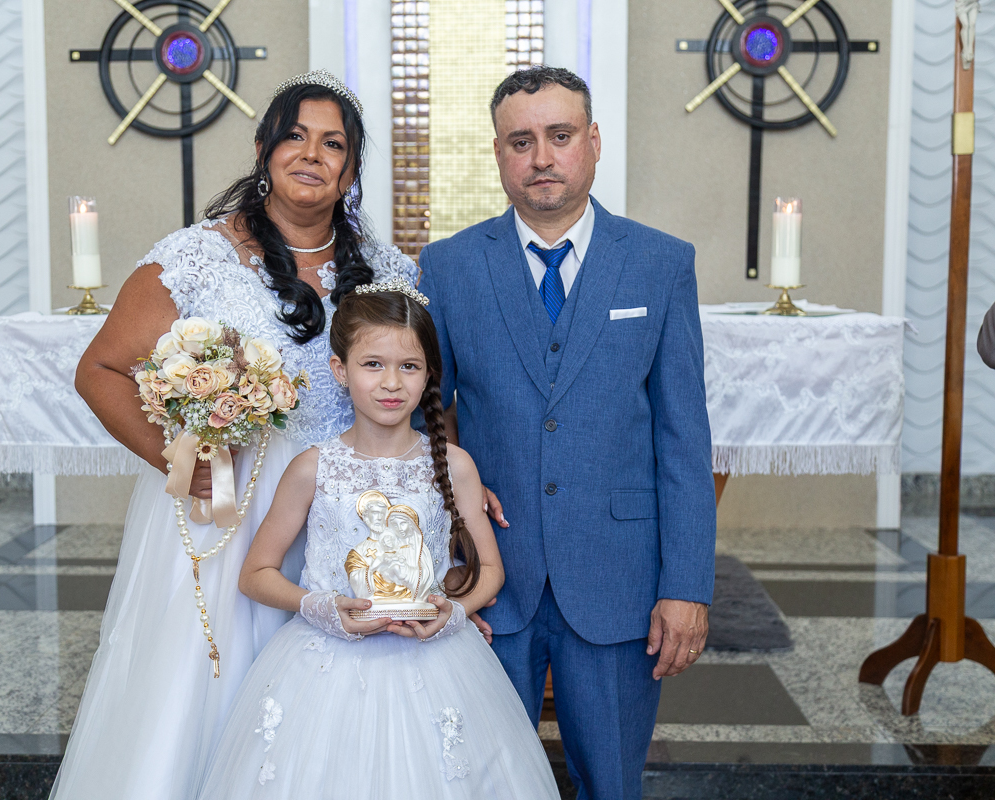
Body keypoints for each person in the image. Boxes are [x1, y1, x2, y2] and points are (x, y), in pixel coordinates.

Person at [53, 70, 418, 799]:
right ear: (263, 149)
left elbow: (418, 386)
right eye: (295, 136)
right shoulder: (196, 258)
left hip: (343, 510)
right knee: (212, 690)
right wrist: (174, 457)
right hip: (229, 506)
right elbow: (99, 370)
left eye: (333, 144)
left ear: (350, 170)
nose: (311, 155)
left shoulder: (386, 270)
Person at [418, 66, 717, 799]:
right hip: (490, 578)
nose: (542, 157)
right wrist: (435, 561)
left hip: (620, 580)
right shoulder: (449, 267)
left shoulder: (660, 264)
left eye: (560, 136)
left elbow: (683, 439)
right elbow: (422, 422)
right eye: (520, 141)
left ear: (594, 142)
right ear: (498, 153)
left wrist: (686, 585)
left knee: (610, 784)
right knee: (486, 783)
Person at [195, 282, 561, 800]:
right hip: (325, 663)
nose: (392, 382)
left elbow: (492, 571)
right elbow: (255, 574)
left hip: (436, 662)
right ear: (340, 369)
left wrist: (454, 613)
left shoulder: (455, 466)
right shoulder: (313, 468)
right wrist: (322, 607)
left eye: (409, 366)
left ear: (430, 374)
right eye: (373, 365)